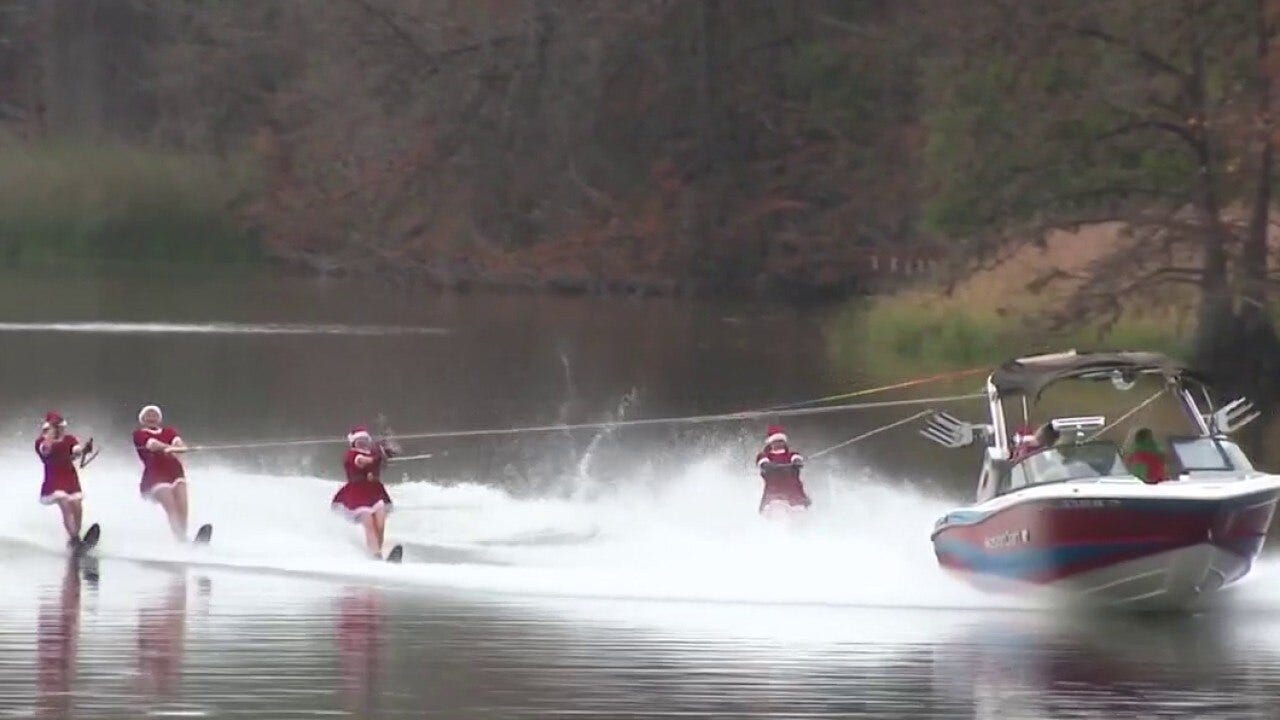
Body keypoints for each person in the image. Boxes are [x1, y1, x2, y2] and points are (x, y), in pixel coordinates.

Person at [332, 426, 397, 559]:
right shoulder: (352, 455)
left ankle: (377, 552)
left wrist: (387, 454)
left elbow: (380, 465)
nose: (362, 443)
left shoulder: (372, 453)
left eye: (364, 440)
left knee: (380, 522)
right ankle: (375, 554)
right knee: (368, 523)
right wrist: (380, 454)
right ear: (353, 442)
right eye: (359, 440)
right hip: (357, 495)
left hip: (375, 491)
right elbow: (364, 462)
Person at [132, 405, 192, 541]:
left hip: (175, 472)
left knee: (183, 506)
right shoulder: (139, 434)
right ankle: (180, 538)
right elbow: (153, 445)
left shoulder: (169, 432)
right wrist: (169, 448)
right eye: (148, 415)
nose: (152, 418)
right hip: (156, 476)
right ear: (143, 419)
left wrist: (182, 448)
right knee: (171, 507)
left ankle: (183, 536)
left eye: (155, 415)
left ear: (159, 418)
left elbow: (178, 443)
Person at [35, 411, 93, 548]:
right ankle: (74, 537)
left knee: (77, 506)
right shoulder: (41, 442)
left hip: (70, 477)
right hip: (54, 479)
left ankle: (75, 536)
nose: (60, 430)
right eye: (56, 428)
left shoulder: (69, 439)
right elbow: (45, 451)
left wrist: (82, 450)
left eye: (61, 427)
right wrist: (49, 436)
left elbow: (75, 449)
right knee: (64, 503)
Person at [755, 425, 811, 513]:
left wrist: (797, 463)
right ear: (770, 443)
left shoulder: (792, 455)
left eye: (781, 441)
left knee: (800, 515)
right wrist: (774, 467)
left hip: (795, 494)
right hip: (774, 494)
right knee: (778, 513)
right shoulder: (763, 456)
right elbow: (764, 464)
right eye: (775, 441)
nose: (778, 444)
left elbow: (797, 459)